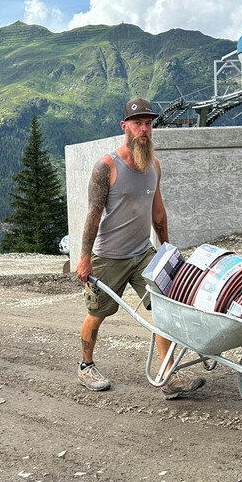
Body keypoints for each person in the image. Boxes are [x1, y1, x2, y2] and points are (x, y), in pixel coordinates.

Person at [74, 98, 205, 399]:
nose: (144, 129)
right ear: (125, 127)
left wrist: (167, 250)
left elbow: (158, 213)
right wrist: (84, 258)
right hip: (108, 257)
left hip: (143, 253)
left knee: (162, 308)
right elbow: (93, 216)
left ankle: (168, 375)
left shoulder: (153, 166)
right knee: (97, 313)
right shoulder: (107, 167)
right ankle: (85, 365)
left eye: (148, 124)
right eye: (137, 123)